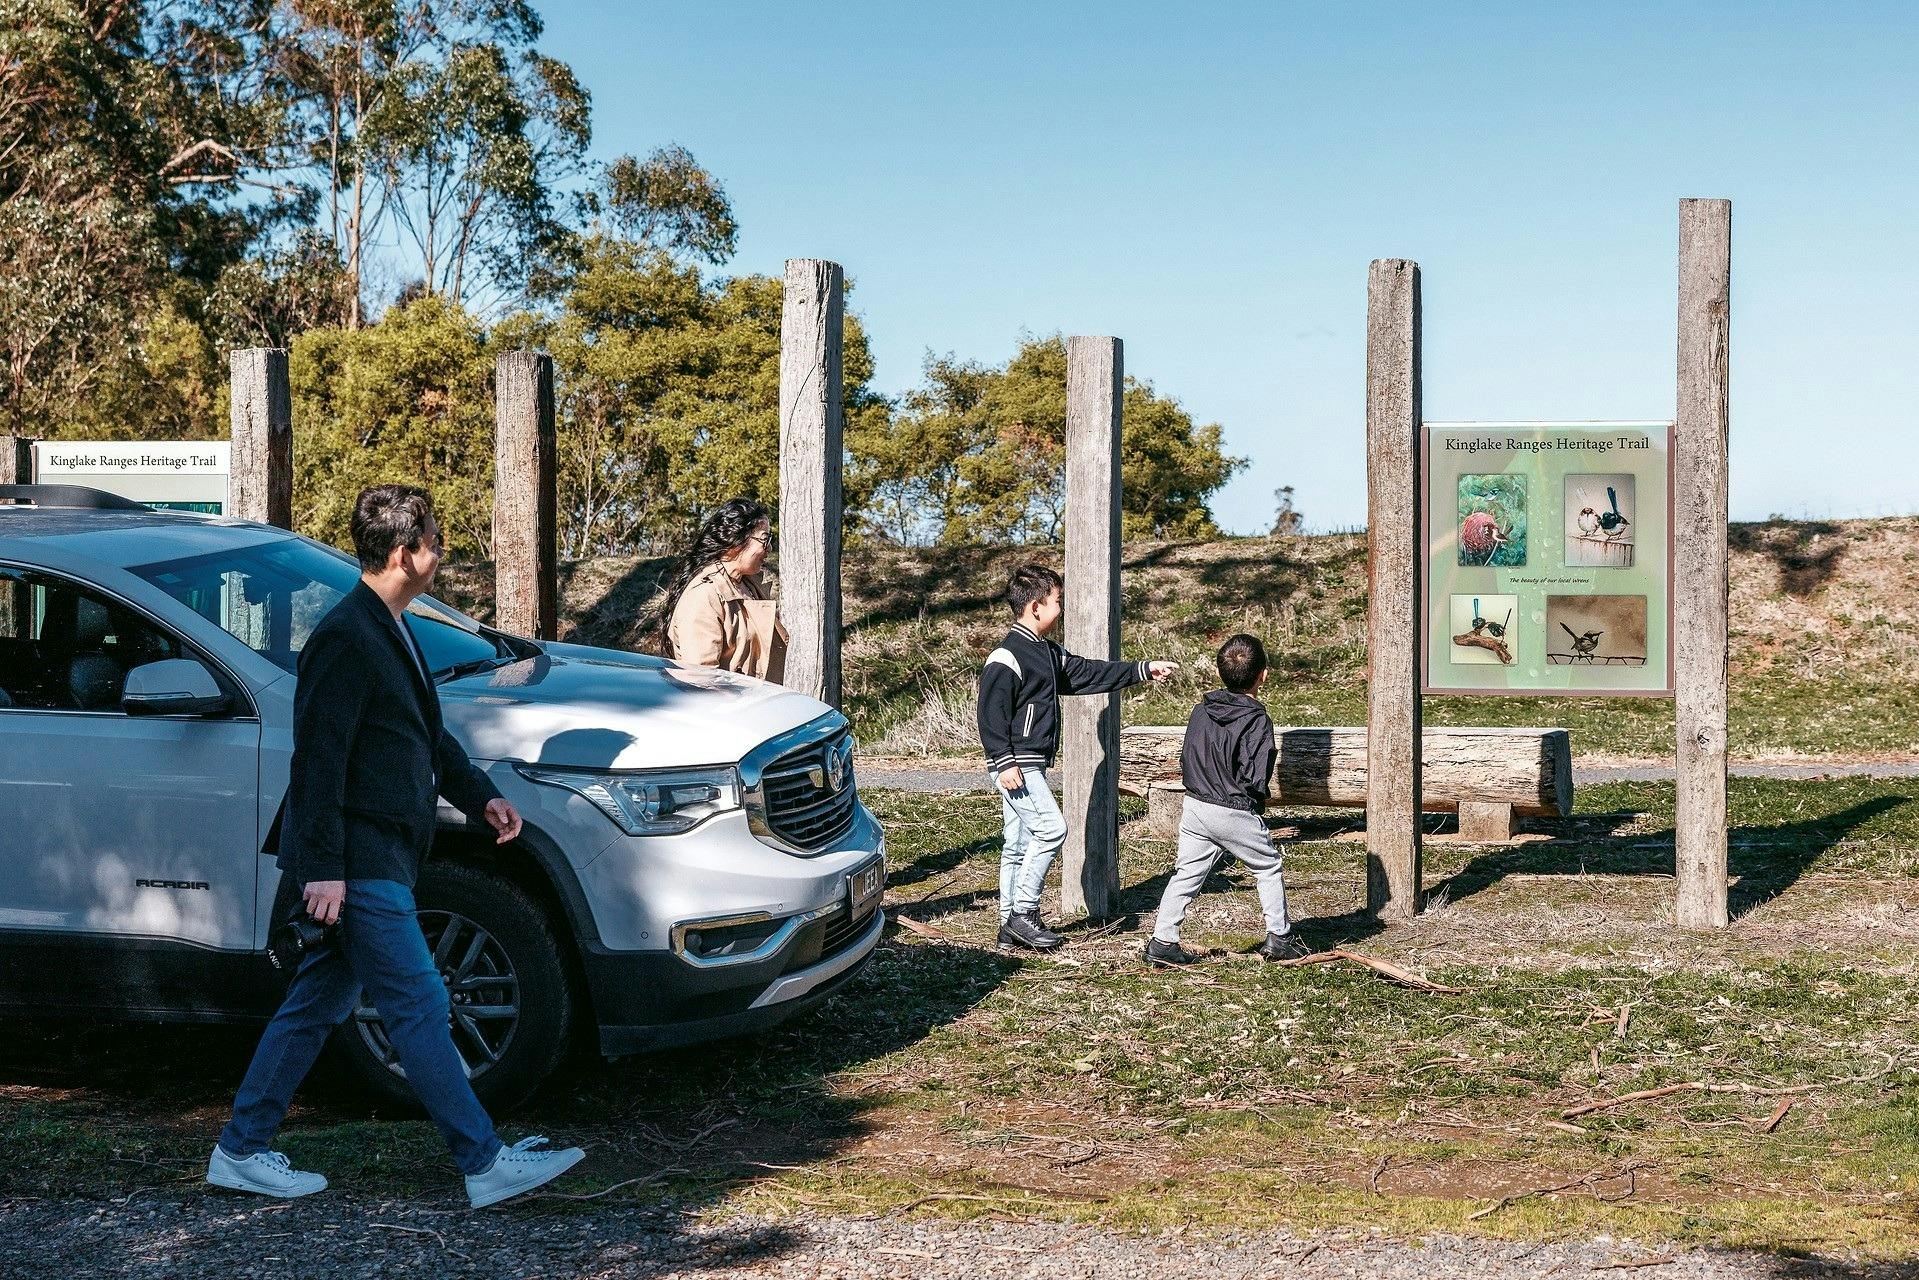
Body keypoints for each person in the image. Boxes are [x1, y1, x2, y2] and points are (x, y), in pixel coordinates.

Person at [207, 484, 584, 1209]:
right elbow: (318, 757)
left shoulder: (390, 626)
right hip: (358, 859)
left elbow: (423, 734)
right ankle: (484, 1163)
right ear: (405, 553)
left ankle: (240, 1149)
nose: (440, 554)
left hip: (378, 855)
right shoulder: (345, 638)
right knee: (417, 1002)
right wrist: (322, 871)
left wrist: (480, 797)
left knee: (315, 1006)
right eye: (434, 542)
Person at [976, 564, 1177, 951]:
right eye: (1057, 600)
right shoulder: (1007, 655)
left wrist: (1142, 670)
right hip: (1016, 764)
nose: (1061, 608)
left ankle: (1008, 925)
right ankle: (1024, 914)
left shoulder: (1048, 653)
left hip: (1028, 761)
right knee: (1052, 830)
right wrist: (1004, 762)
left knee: (1018, 843)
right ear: (1036, 607)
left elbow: (1087, 673)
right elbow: (990, 713)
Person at [1144, 633, 1312, 966]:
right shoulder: (1257, 719)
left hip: (1194, 805)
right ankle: (1279, 937)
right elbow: (1255, 772)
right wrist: (1253, 806)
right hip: (1231, 807)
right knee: (1268, 866)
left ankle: (1163, 941)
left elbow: (1188, 754)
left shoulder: (1201, 710)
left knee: (1186, 874)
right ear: (1263, 673)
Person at [660, 498, 786, 681]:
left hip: (755, 704)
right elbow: (701, 681)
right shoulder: (703, 596)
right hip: (728, 707)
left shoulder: (748, 584)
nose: (770, 548)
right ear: (736, 540)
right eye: (764, 540)